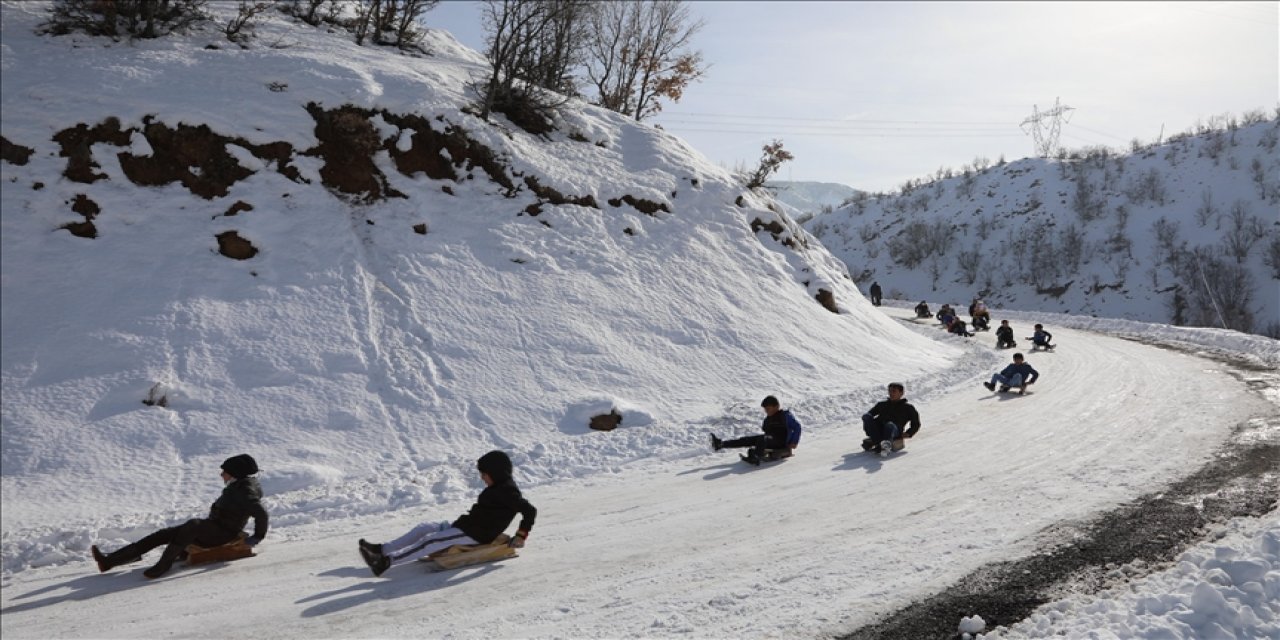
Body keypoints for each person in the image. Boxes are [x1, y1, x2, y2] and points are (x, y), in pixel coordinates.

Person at [357, 450, 536, 577]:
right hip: (465, 527)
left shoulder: (508, 492)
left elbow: (530, 511)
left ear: (496, 473)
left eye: (484, 474)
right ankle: (381, 549)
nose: (482, 477)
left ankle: (385, 562)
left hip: (476, 535)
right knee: (424, 527)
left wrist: (521, 535)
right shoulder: (497, 487)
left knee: (430, 541)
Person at [91, 454, 269, 579]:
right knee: (164, 534)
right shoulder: (239, 485)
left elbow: (261, 513)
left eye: (225, 471)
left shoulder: (245, 491)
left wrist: (256, 537)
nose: (221, 474)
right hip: (214, 528)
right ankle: (109, 561)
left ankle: (164, 564)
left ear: (235, 473)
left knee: (193, 525)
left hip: (223, 534)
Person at [710, 395, 802, 464]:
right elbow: (765, 431)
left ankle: (756, 456)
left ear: (776, 406)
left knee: (762, 439)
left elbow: (797, 427)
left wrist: (793, 442)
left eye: (768, 409)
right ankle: (721, 444)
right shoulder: (768, 419)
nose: (766, 411)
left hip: (782, 443)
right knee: (749, 439)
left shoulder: (785, 415)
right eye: (765, 409)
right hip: (771, 440)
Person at [861, 382, 921, 455]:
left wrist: (909, 433)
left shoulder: (908, 408)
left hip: (894, 431)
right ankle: (878, 443)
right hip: (878, 430)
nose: (891, 393)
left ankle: (884, 445)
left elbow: (916, 423)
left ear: (901, 393)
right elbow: (870, 414)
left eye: (894, 391)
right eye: (889, 391)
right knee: (866, 416)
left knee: (889, 425)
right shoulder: (882, 404)